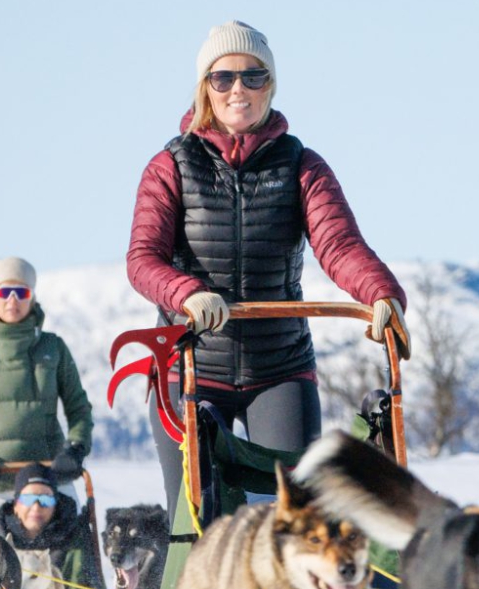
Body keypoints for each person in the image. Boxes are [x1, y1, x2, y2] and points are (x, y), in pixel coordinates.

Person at [126, 20, 408, 515]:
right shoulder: (170, 165)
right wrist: (188, 293)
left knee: (298, 518)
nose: (239, 89)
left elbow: (338, 245)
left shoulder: (301, 165)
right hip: (190, 368)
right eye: (224, 78)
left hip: (279, 368)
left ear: (270, 85)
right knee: (199, 519)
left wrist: (381, 293)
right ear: (205, 88)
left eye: (254, 76)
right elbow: (143, 260)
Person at [0, 256, 94, 510]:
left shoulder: (53, 347)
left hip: (50, 477)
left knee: (75, 544)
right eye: (5, 292)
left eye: (21, 292)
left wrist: (75, 449)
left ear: (31, 297)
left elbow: (78, 407)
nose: (12, 300)